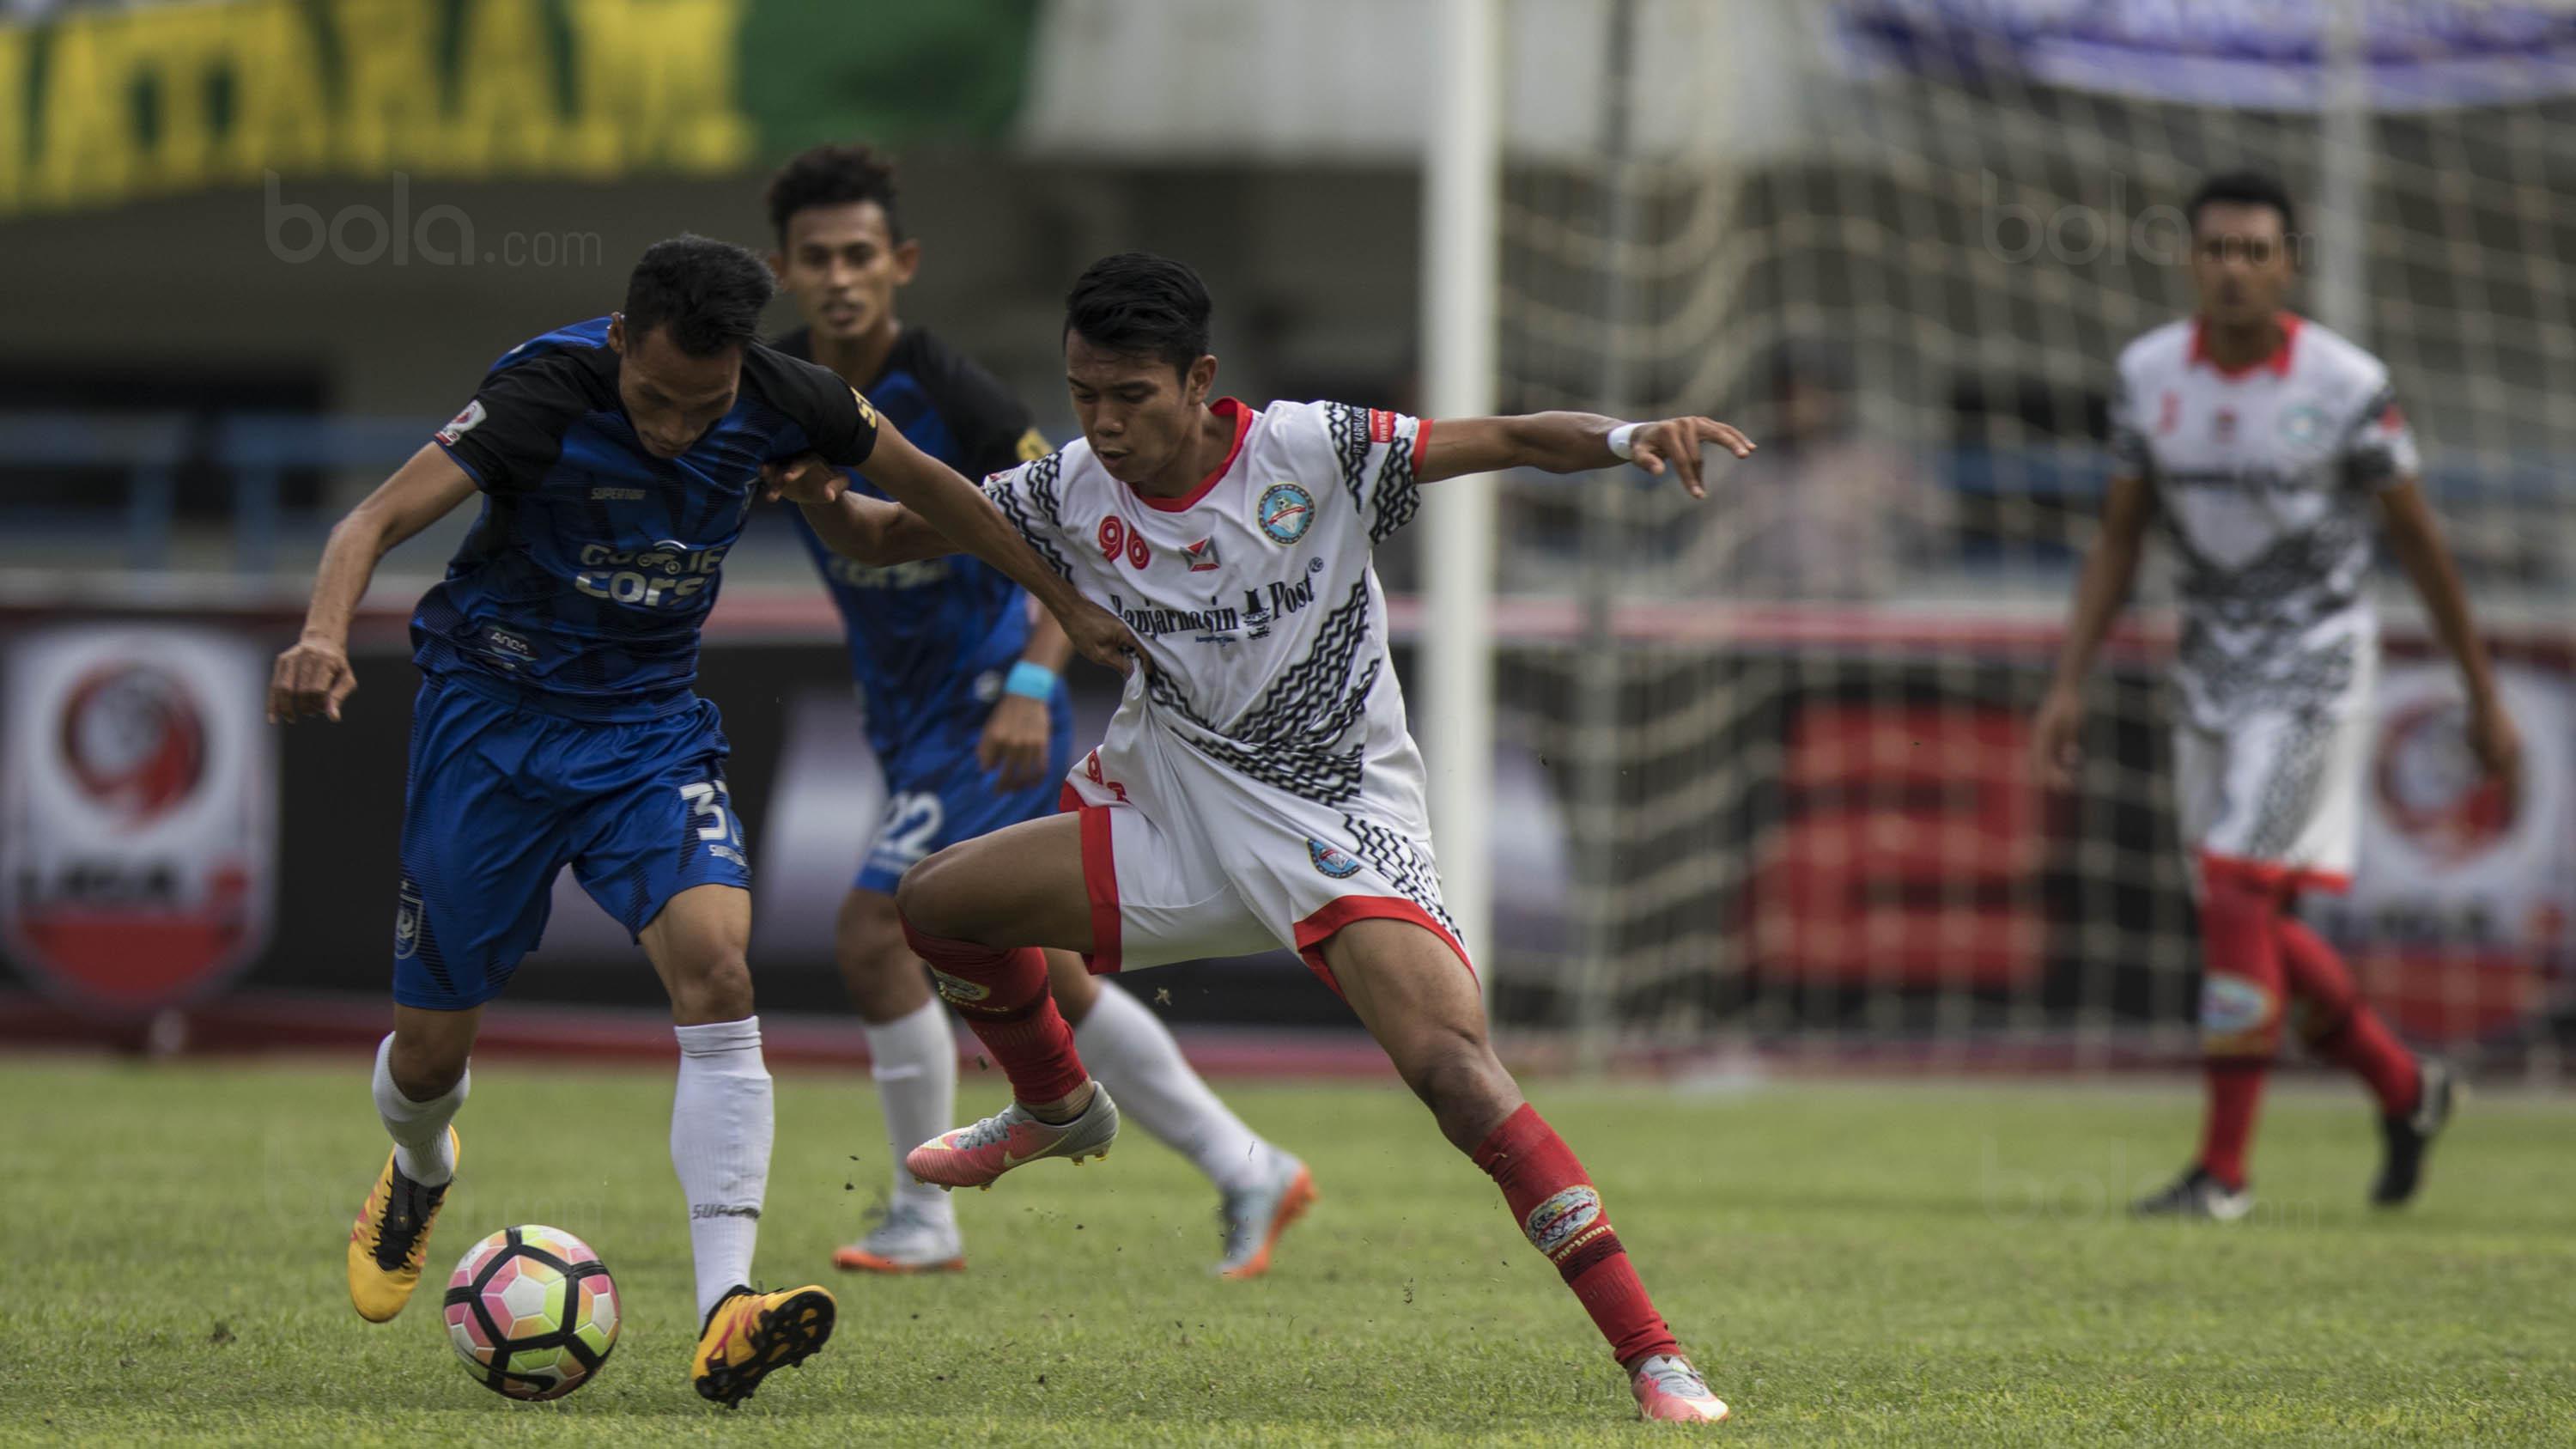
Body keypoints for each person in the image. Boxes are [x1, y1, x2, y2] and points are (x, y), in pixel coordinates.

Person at [781, 252, 1752, 1423]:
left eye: (1130, 395)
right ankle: (1055, 1106)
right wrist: (824, 500)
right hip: (1174, 810)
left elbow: (1509, 436)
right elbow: (899, 534)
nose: (1104, 422)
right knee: (935, 903)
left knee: (1455, 1075)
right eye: (1085, 392)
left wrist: (1625, 435)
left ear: (1200, 380)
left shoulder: (1312, 449)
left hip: (1338, 816)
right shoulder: (1077, 485)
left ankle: (1655, 1355)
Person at [267, 234, 1138, 1405]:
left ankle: (728, 1304)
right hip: (493, 721)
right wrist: (325, 633)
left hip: (645, 732)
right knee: (428, 1059)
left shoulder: (788, 398)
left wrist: (1063, 604)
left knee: (720, 968)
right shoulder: (540, 392)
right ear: (621, 342)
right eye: (657, 401)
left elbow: (937, 489)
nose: (678, 429)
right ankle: (421, 1169)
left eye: (704, 405)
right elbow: (365, 525)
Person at [761, 145, 1311, 1278]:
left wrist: (1031, 673)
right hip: (906, 711)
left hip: (988, 699)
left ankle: (922, 1217)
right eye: (816, 259)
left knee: (876, 933)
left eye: (860, 254)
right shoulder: (779, 391)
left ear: (901, 263)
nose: (840, 277)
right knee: (1051, 979)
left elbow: (1074, 524)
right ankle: (1245, 1161)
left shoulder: (950, 391)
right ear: (786, 270)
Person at [2031, 172, 2521, 1221]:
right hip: (2208, 673)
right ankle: (2406, 1086)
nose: (2235, 269)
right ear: (2191, 259)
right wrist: (2068, 679)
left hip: (2316, 672)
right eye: (2218, 249)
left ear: (2286, 263)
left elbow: (2419, 542)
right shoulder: (2148, 375)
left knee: (2237, 891)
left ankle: (2224, 1174)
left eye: (2255, 251)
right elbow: (2120, 534)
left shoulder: (2346, 385)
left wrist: (2482, 693)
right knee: (2246, 918)